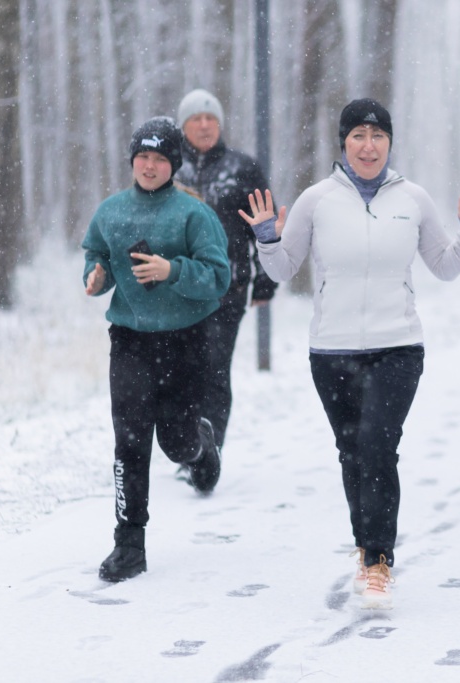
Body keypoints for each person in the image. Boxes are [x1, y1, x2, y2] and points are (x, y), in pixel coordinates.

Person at [239, 98, 460, 609]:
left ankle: (378, 561)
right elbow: (284, 270)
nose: (368, 146)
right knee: (352, 451)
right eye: (358, 136)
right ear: (344, 143)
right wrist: (267, 239)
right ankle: (366, 546)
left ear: (390, 143)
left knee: (377, 446)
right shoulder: (316, 200)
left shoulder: (413, 199)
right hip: (331, 349)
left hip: (397, 345)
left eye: (378, 136)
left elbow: (444, 267)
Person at [82, 116, 231, 581]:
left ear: (174, 164)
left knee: (174, 441)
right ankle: (129, 544)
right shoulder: (110, 211)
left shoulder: (192, 215)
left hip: (185, 340)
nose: (149, 166)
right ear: (132, 161)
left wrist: (173, 271)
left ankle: (201, 447)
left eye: (160, 158)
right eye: (142, 157)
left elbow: (218, 278)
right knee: (129, 440)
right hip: (128, 339)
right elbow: (96, 251)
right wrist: (96, 274)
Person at [173, 88, 277, 483]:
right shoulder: (168, 168)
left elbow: (264, 228)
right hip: (178, 289)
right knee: (180, 372)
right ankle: (186, 446)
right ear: (183, 126)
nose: (204, 125)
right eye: (196, 119)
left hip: (227, 288)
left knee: (215, 368)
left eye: (211, 118)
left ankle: (207, 454)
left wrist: (265, 282)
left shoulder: (242, 168)